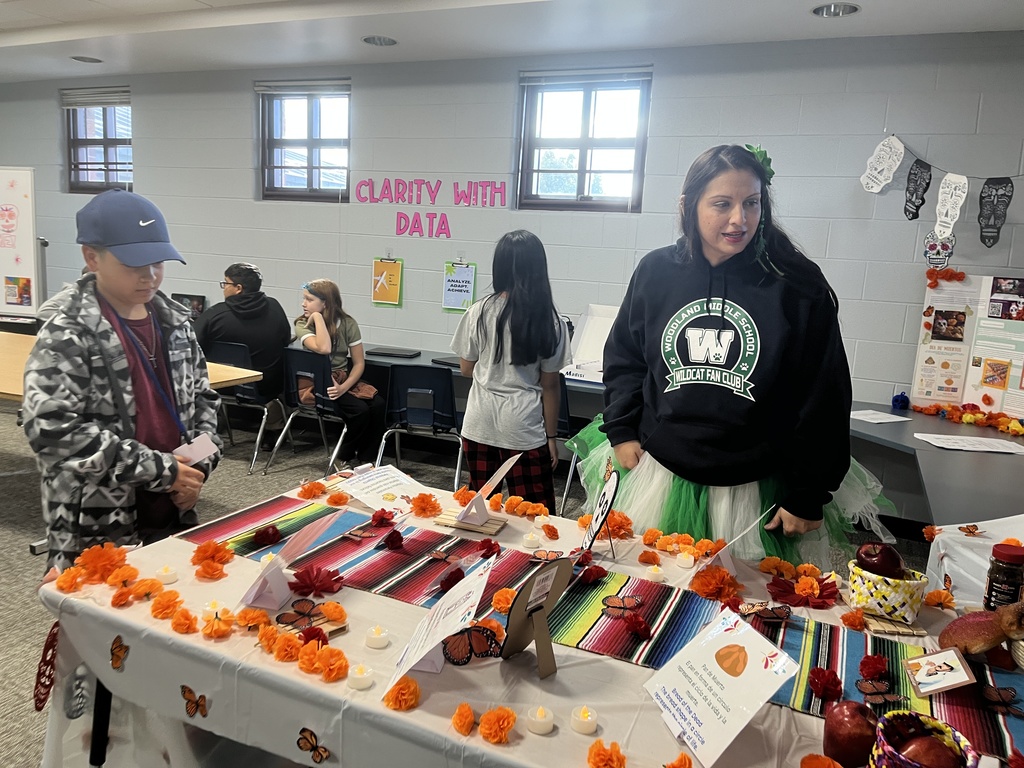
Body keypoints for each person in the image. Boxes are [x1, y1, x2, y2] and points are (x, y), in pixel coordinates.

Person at [570, 144, 854, 563]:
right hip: (660, 472)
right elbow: (625, 358)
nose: (740, 219)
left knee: (750, 608)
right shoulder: (656, 271)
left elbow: (823, 392)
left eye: (752, 203)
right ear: (689, 206)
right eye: (722, 204)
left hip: (755, 487)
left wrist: (810, 491)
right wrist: (622, 431)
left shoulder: (796, 284)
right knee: (650, 593)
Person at [23, 189, 221, 571]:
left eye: (158, 262)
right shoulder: (67, 333)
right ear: (91, 257)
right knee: (103, 625)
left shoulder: (176, 324)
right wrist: (162, 470)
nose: (150, 276)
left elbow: (205, 403)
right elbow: (51, 430)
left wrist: (195, 470)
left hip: (172, 512)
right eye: (134, 264)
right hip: (98, 527)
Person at [451, 230, 570, 513]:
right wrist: (552, 438)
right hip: (522, 426)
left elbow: (466, 369)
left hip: (479, 422)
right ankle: (534, 558)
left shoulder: (478, 311)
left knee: (478, 509)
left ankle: (477, 555)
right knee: (533, 513)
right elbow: (550, 385)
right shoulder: (551, 321)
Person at [195, 262, 291, 441]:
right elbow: (285, 339)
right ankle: (273, 432)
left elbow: (193, 345)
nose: (223, 288)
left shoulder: (215, 314)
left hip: (226, 387)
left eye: (226, 283)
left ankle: (209, 430)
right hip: (268, 385)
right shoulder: (274, 307)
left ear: (238, 288)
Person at [293, 278, 385, 466]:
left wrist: (343, 388)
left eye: (309, 299)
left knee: (378, 405)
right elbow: (324, 348)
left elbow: (359, 363)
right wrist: (318, 318)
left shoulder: (348, 323)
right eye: (304, 299)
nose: (303, 304)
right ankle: (345, 455)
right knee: (359, 411)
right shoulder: (303, 324)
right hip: (317, 383)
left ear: (325, 303)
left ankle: (367, 458)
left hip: (341, 380)